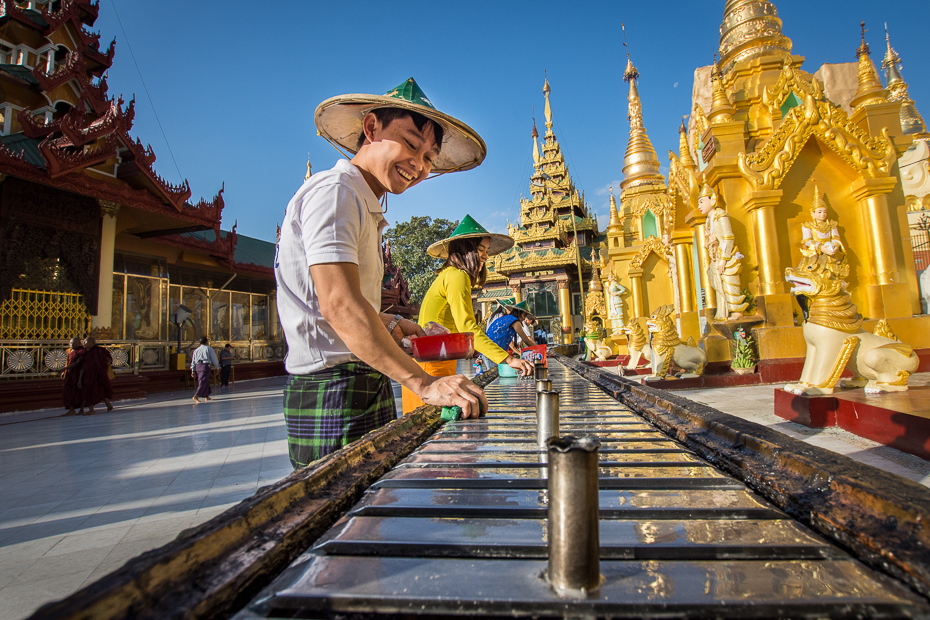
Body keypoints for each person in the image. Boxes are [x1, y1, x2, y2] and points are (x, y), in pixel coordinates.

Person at [276, 77, 489, 469]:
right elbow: (340, 307)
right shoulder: (336, 191)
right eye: (410, 143)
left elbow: (354, 309)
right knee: (342, 520)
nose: (420, 165)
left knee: (373, 513)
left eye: (429, 157)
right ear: (371, 128)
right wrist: (424, 384)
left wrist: (404, 327)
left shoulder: (362, 202)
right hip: (332, 389)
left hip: (364, 378)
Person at [407, 217, 533, 413]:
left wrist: (469, 348)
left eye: (486, 251)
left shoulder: (449, 274)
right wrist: (508, 359)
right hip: (431, 367)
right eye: (480, 250)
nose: (485, 256)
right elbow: (467, 326)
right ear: (466, 250)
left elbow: (452, 326)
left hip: (435, 362)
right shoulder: (458, 275)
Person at [698, 183, 748, 321]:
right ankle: (722, 312)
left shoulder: (721, 215)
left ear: (712, 199)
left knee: (727, 281)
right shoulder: (708, 220)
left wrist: (723, 258)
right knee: (715, 280)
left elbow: (728, 236)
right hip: (716, 256)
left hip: (725, 256)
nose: (699, 206)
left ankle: (736, 311)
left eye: (702, 202)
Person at [798, 185, 848, 281]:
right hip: (817, 253)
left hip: (831, 252)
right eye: (819, 212)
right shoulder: (808, 226)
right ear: (812, 213)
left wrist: (835, 247)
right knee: (816, 273)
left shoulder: (832, 225)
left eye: (824, 212)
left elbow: (836, 238)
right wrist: (821, 247)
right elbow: (808, 241)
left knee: (835, 274)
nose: (823, 214)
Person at [484, 298, 538, 365]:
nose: (524, 318)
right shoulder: (514, 321)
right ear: (518, 312)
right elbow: (526, 340)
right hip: (493, 352)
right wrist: (540, 350)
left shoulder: (506, 318)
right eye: (524, 315)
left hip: (488, 350)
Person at [81, 336, 113, 415]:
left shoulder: (100, 351)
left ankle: (92, 410)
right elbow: (82, 365)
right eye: (83, 342)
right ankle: (106, 405)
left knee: (99, 389)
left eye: (86, 342)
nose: (84, 344)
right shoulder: (85, 353)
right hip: (88, 374)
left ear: (92, 343)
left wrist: (103, 367)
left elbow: (109, 359)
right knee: (90, 390)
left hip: (98, 373)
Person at [190, 336, 219, 403]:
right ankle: (196, 395)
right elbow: (214, 359)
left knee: (204, 380)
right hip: (205, 366)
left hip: (198, 366)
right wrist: (217, 367)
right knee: (203, 380)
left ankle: (206, 395)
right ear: (206, 342)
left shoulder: (196, 350)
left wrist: (193, 370)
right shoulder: (209, 349)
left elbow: (193, 360)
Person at [61, 336, 85, 416]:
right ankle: (71, 409)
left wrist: (80, 379)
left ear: (79, 343)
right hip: (70, 374)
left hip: (78, 374)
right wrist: (64, 371)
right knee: (66, 392)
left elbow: (79, 363)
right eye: (71, 343)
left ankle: (81, 409)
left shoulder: (82, 351)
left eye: (74, 343)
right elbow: (68, 361)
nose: (72, 344)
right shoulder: (70, 351)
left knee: (81, 393)